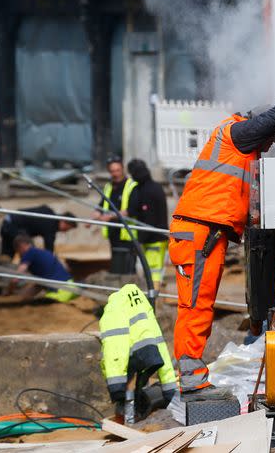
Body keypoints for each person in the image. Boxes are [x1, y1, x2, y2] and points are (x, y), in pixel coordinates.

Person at [169, 54, 275, 396]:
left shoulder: (236, 143)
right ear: (259, 126)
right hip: (198, 233)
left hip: (202, 233)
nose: (272, 143)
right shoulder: (239, 132)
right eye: (271, 136)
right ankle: (191, 379)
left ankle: (192, 376)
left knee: (197, 304)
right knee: (196, 306)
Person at [100, 283, 176, 423]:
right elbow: (160, 345)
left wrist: (116, 387)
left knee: (128, 385)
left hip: (127, 356)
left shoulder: (112, 310)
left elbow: (114, 348)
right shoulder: (143, 306)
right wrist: (169, 390)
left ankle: (129, 418)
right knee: (135, 382)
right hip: (148, 351)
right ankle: (131, 414)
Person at [126, 159, 169, 290]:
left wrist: (139, 241)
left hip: (155, 239)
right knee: (149, 271)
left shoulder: (148, 191)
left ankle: (154, 297)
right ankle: (153, 293)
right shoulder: (152, 187)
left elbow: (149, 219)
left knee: (154, 271)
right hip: (153, 237)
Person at [94, 157, 138, 274]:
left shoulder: (131, 185)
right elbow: (101, 204)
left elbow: (132, 210)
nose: (115, 174)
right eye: (112, 171)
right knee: (116, 263)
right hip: (113, 232)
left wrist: (110, 216)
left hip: (127, 233)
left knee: (128, 265)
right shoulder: (109, 186)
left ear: (122, 169)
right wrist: (95, 215)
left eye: (118, 170)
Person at [12, 234, 78, 302]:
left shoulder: (28, 253)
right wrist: (25, 296)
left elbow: (17, 277)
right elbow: (40, 285)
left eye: (17, 250)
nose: (18, 254)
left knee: (42, 306)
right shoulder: (42, 253)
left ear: (22, 246)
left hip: (61, 290)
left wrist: (9, 290)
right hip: (72, 287)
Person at [0, 205, 77, 261]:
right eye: (67, 228)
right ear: (64, 222)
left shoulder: (49, 216)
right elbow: (49, 248)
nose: (65, 231)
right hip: (13, 226)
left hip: (8, 223)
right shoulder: (51, 223)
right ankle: (26, 276)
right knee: (30, 251)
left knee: (7, 256)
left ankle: (0, 276)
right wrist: (51, 262)